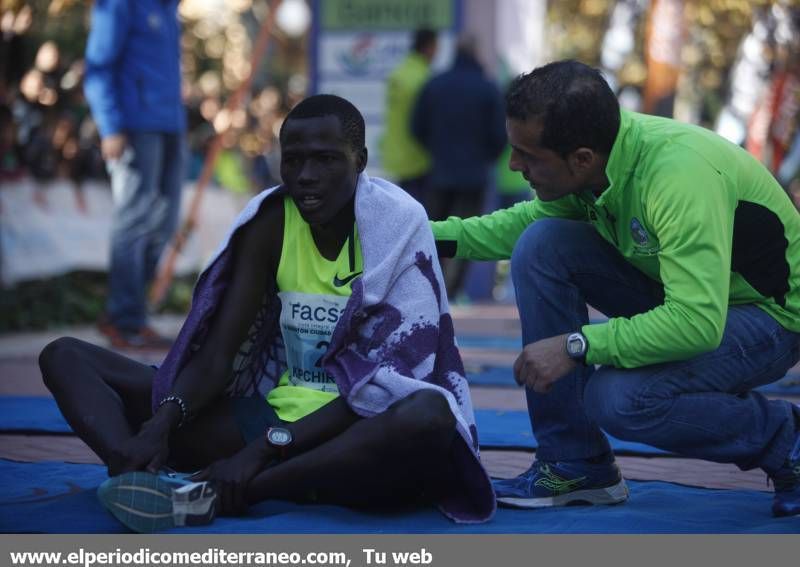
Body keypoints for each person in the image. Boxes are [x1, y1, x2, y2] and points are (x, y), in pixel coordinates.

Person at [39, 94, 494, 533]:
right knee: (65, 356)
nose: (306, 176)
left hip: (355, 434)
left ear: (360, 160)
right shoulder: (272, 220)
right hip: (268, 418)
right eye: (293, 160)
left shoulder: (398, 224)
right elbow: (219, 354)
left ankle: (224, 493)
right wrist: (159, 427)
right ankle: (134, 474)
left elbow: (390, 383)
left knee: (431, 414)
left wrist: (263, 453)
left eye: (325, 159)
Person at [431, 60, 800, 517]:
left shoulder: (675, 178)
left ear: (581, 159)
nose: (513, 165)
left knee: (619, 399)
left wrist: (575, 346)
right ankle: (575, 465)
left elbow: (696, 325)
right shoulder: (596, 161)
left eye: (527, 155)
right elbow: (518, 226)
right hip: (688, 299)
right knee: (541, 245)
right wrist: (419, 235)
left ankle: (788, 441)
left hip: (771, 319)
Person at [83, 0, 186, 348]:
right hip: (134, 127)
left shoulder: (169, 8)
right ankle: (125, 319)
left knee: (164, 222)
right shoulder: (119, 4)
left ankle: (126, 312)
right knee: (134, 220)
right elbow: (97, 67)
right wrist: (110, 126)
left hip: (171, 125)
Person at [412, 36, 506, 297]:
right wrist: (485, 159)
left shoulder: (435, 85)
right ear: (476, 54)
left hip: (440, 172)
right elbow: (500, 135)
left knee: (433, 231)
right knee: (469, 233)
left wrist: (435, 152)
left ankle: (430, 288)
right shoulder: (487, 88)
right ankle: (454, 290)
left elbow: (416, 126)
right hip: (474, 175)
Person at [379, 28, 437, 203]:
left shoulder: (398, 74)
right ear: (428, 47)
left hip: (397, 156)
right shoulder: (424, 78)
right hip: (418, 159)